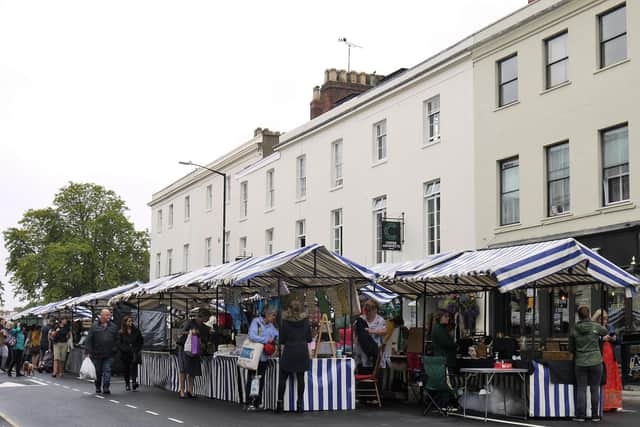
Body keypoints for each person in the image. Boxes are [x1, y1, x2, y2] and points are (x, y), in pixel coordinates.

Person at [570, 305, 608, 422]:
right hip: (596, 361)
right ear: (589, 315)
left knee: (581, 389)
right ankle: (595, 416)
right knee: (594, 389)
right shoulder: (595, 326)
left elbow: (571, 348)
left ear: (578, 316)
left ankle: (580, 416)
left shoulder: (574, 329)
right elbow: (605, 331)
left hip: (581, 362)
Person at [277, 300, 311, 413]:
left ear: (289, 309)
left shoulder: (285, 322)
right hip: (302, 351)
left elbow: (281, 340)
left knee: (282, 378)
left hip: (289, 351)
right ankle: (300, 404)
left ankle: (279, 404)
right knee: (301, 378)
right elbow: (309, 339)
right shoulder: (306, 322)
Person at [245, 305, 279, 411]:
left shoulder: (271, 326)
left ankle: (258, 401)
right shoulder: (256, 322)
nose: (274, 318)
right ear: (268, 315)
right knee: (252, 379)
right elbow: (252, 336)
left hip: (264, 357)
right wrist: (266, 340)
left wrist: (276, 340)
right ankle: (249, 401)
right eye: (273, 315)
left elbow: (277, 335)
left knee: (261, 379)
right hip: (254, 357)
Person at [592, 309, 622, 412]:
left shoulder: (610, 327)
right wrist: (602, 339)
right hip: (600, 356)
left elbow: (619, 341)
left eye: (605, 319)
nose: (604, 321)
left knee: (612, 379)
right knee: (603, 379)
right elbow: (591, 340)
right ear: (597, 319)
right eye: (602, 319)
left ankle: (612, 404)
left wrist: (614, 339)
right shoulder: (594, 328)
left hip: (611, 357)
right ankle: (603, 404)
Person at [177, 308, 211, 399]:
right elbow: (180, 333)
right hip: (185, 347)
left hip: (195, 347)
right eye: (207, 317)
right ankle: (182, 390)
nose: (208, 319)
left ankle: (190, 390)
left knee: (193, 369)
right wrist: (191, 332)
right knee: (183, 369)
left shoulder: (204, 327)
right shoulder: (190, 322)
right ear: (203, 316)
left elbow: (204, 338)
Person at [86, 309, 119, 394]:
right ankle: (97, 386)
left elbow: (117, 339)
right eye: (107, 315)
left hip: (109, 354)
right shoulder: (94, 326)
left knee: (107, 370)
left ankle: (106, 387)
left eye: (110, 315)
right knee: (98, 371)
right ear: (102, 316)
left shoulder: (113, 326)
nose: (109, 317)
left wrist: (115, 348)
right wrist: (89, 351)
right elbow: (89, 339)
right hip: (97, 354)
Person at [430, 310, 458, 410]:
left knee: (447, 382)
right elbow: (446, 343)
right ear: (439, 317)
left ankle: (447, 404)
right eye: (445, 316)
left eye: (448, 316)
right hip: (444, 359)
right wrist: (456, 345)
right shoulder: (438, 329)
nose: (448, 318)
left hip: (444, 358)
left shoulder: (441, 328)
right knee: (447, 382)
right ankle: (445, 405)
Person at [353, 300, 387, 374]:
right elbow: (355, 332)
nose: (367, 312)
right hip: (362, 355)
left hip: (375, 353)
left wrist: (371, 331)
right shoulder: (361, 319)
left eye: (369, 310)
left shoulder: (380, 320)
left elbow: (384, 331)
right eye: (366, 310)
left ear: (375, 310)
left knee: (374, 375)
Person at [118, 315, 144, 391]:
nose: (131, 322)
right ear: (125, 322)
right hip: (125, 353)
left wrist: (137, 348)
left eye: (131, 321)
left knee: (134, 367)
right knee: (126, 369)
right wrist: (125, 349)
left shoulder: (136, 330)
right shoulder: (121, 332)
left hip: (134, 352)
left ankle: (134, 382)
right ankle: (127, 384)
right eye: (129, 321)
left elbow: (140, 340)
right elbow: (119, 343)